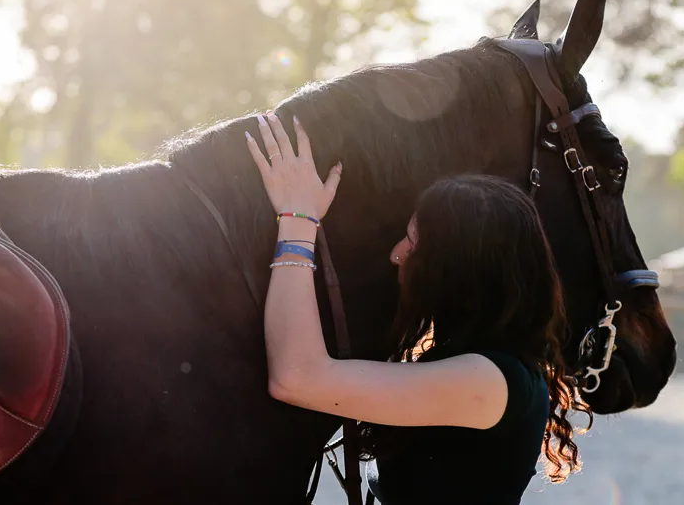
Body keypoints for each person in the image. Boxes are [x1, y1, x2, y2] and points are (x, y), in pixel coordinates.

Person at [244, 112, 586, 504]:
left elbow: (296, 377)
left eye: (413, 243)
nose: (396, 255)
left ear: (457, 271)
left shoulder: (490, 380)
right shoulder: (487, 365)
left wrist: (297, 219)